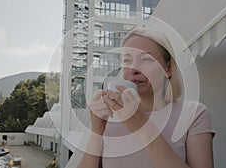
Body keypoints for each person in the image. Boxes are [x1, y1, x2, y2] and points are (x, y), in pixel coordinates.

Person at [77, 28, 215, 168]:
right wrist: (96, 130)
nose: (133, 69)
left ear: (167, 69)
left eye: (146, 59)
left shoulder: (193, 114)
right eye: (127, 61)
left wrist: (143, 127)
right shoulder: (109, 117)